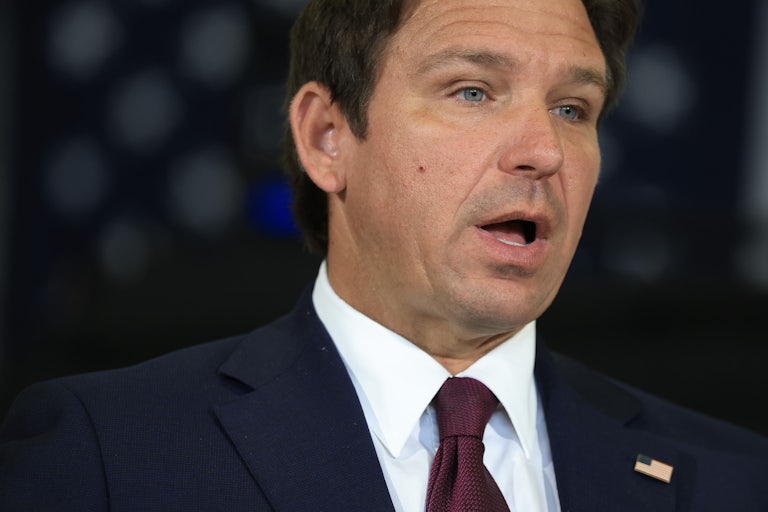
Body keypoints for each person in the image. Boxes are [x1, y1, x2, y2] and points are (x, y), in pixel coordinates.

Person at [2, 0, 767, 510]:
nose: (543, 150)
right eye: (472, 91)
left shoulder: (735, 479)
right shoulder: (104, 458)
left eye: (573, 109)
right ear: (327, 140)